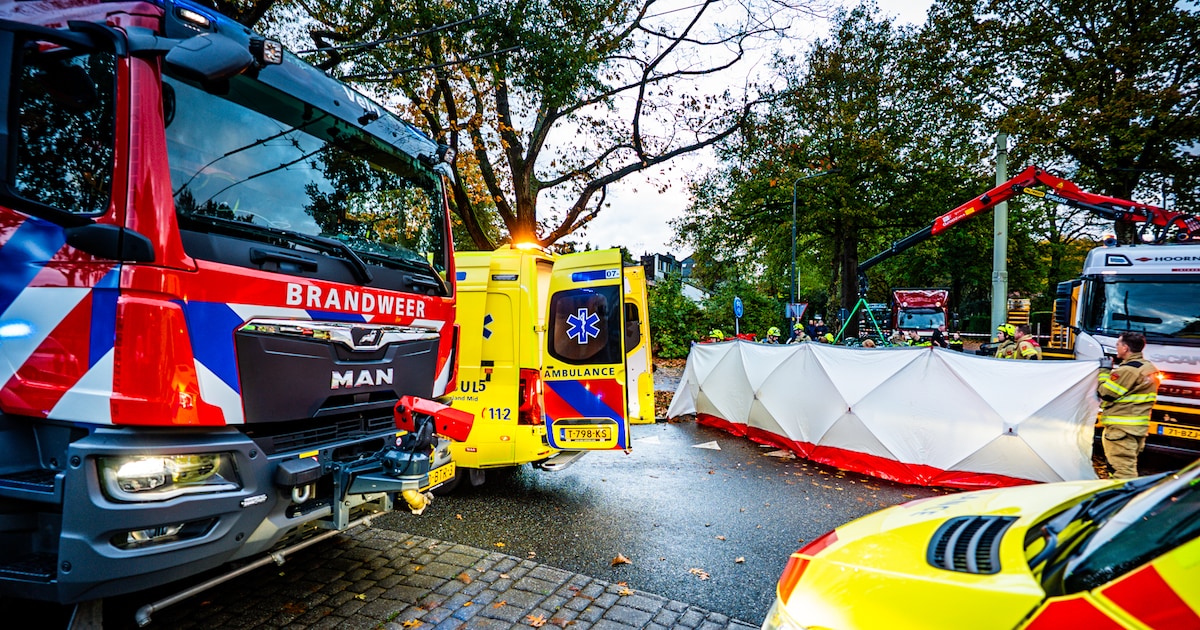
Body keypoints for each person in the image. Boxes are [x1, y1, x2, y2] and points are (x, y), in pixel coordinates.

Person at [1098, 331, 1159, 479]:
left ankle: (1124, 501)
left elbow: (1105, 393)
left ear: (1125, 348)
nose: (1116, 347)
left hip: (1121, 430)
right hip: (1136, 428)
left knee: (1123, 473)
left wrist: (1104, 372)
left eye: (1118, 344)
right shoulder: (1148, 367)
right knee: (1125, 467)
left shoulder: (1127, 370)